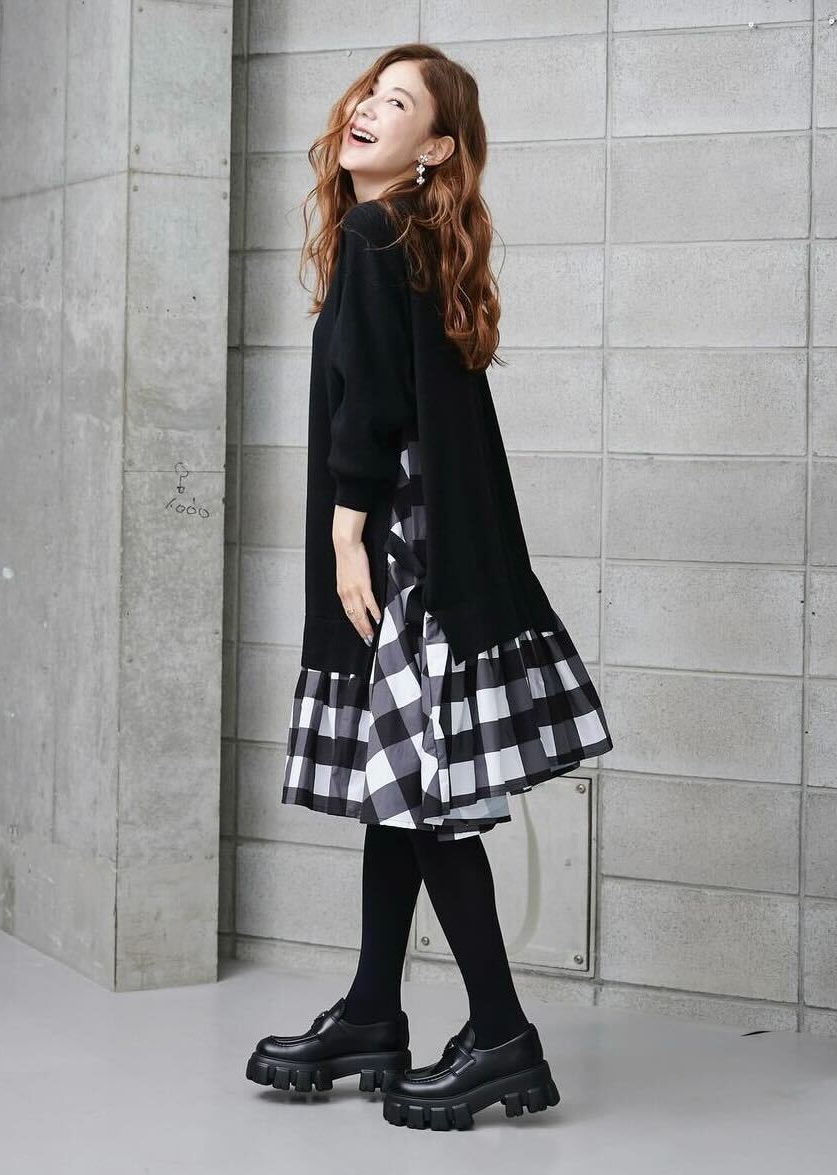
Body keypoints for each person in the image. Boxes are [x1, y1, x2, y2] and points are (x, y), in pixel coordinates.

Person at [246, 44, 613, 1131]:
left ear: (436, 149)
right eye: (369, 91)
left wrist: (345, 532)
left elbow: (368, 406)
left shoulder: (376, 231)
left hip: (406, 554)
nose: (366, 107)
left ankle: (500, 1034)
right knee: (399, 789)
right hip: (434, 546)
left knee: (428, 801)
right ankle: (372, 1011)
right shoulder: (403, 236)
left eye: (397, 102)